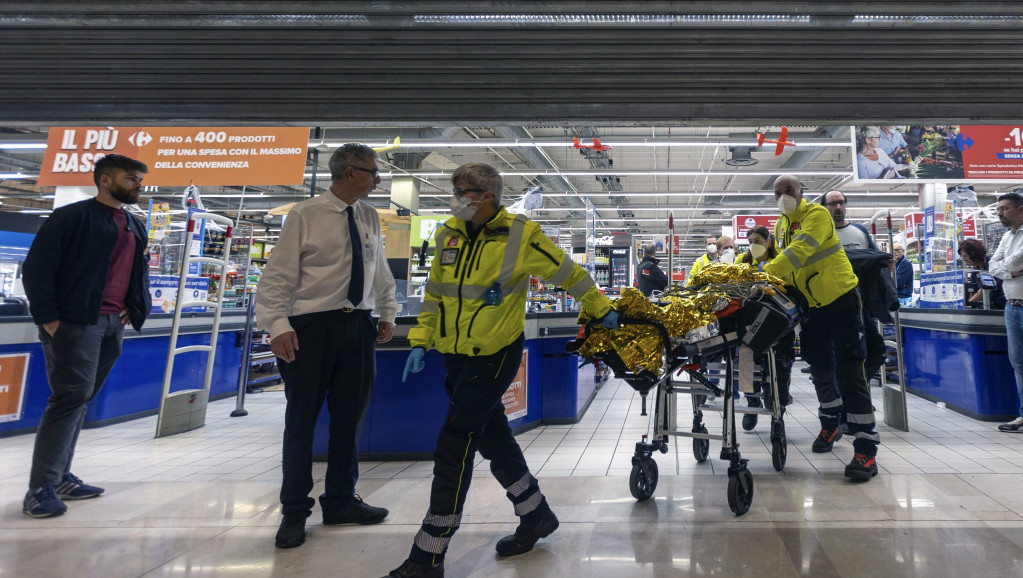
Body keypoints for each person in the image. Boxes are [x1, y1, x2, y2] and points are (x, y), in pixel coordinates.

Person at [389, 163, 618, 578]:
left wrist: (603, 309)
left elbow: (570, 273)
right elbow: (435, 295)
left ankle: (428, 555)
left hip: (495, 353)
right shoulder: (448, 234)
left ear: (485, 196)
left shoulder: (520, 234)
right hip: (455, 355)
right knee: (493, 438)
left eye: (461, 191)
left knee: (454, 444)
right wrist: (421, 340)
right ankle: (536, 515)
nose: (454, 197)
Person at [256, 143, 398, 549]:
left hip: (358, 326)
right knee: (301, 421)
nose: (378, 179)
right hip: (311, 327)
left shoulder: (368, 215)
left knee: (348, 419)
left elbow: (377, 267)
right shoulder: (305, 215)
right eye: (373, 172)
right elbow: (277, 277)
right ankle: (294, 512)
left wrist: (386, 309)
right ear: (349, 172)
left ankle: (339, 500)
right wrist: (277, 325)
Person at [20, 154, 152, 518]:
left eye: (140, 179)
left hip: (113, 323)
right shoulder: (73, 217)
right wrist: (49, 318)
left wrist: (133, 306)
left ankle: (60, 477)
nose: (139, 185)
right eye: (131, 178)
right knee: (68, 398)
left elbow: (133, 271)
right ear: (106, 180)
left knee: (80, 398)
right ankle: (40, 488)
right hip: (75, 323)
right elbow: (36, 268)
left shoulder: (133, 223)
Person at [764, 174, 880, 480]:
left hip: (840, 300)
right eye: (777, 192)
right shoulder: (780, 225)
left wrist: (763, 273)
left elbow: (799, 252)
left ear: (802, 192)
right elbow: (787, 267)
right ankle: (830, 425)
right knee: (820, 369)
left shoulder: (817, 215)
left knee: (850, 370)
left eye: (789, 190)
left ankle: (866, 448)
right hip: (810, 307)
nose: (783, 196)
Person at [822, 190, 887, 385]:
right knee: (841, 354)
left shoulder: (859, 231)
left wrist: (885, 263)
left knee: (875, 351)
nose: (838, 207)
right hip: (834, 305)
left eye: (841, 203)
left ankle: (860, 388)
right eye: (833, 204)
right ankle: (849, 396)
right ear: (824, 208)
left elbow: (874, 259)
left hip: (863, 304)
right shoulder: (821, 235)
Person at [737, 226, 794, 432]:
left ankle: (777, 413)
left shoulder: (782, 261)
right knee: (745, 361)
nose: (754, 245)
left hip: (780, 324)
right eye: (750, 241)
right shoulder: (741, 262)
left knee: (780, 368)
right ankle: (752, 403)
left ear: (769, 241)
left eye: (758, 241)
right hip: (751, 323)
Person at [989, 191, 1023, 432]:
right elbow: (993, 265)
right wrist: (1008, 272)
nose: (999, 213)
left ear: (1020, 209)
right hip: (1011, 307)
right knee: (1018, 364)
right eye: (998, 209)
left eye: (1004, 208)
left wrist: (1005, 266)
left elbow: (1018, 258)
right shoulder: (1006, 237)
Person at [959, 238, 1005, 309]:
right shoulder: (975, 269)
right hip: (988, 304)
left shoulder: (991, 264)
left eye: (965, 256)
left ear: (974, 254)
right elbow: (973, 290)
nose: (964, 259)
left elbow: (986, 290)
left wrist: (966, 305)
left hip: (1000, 305)